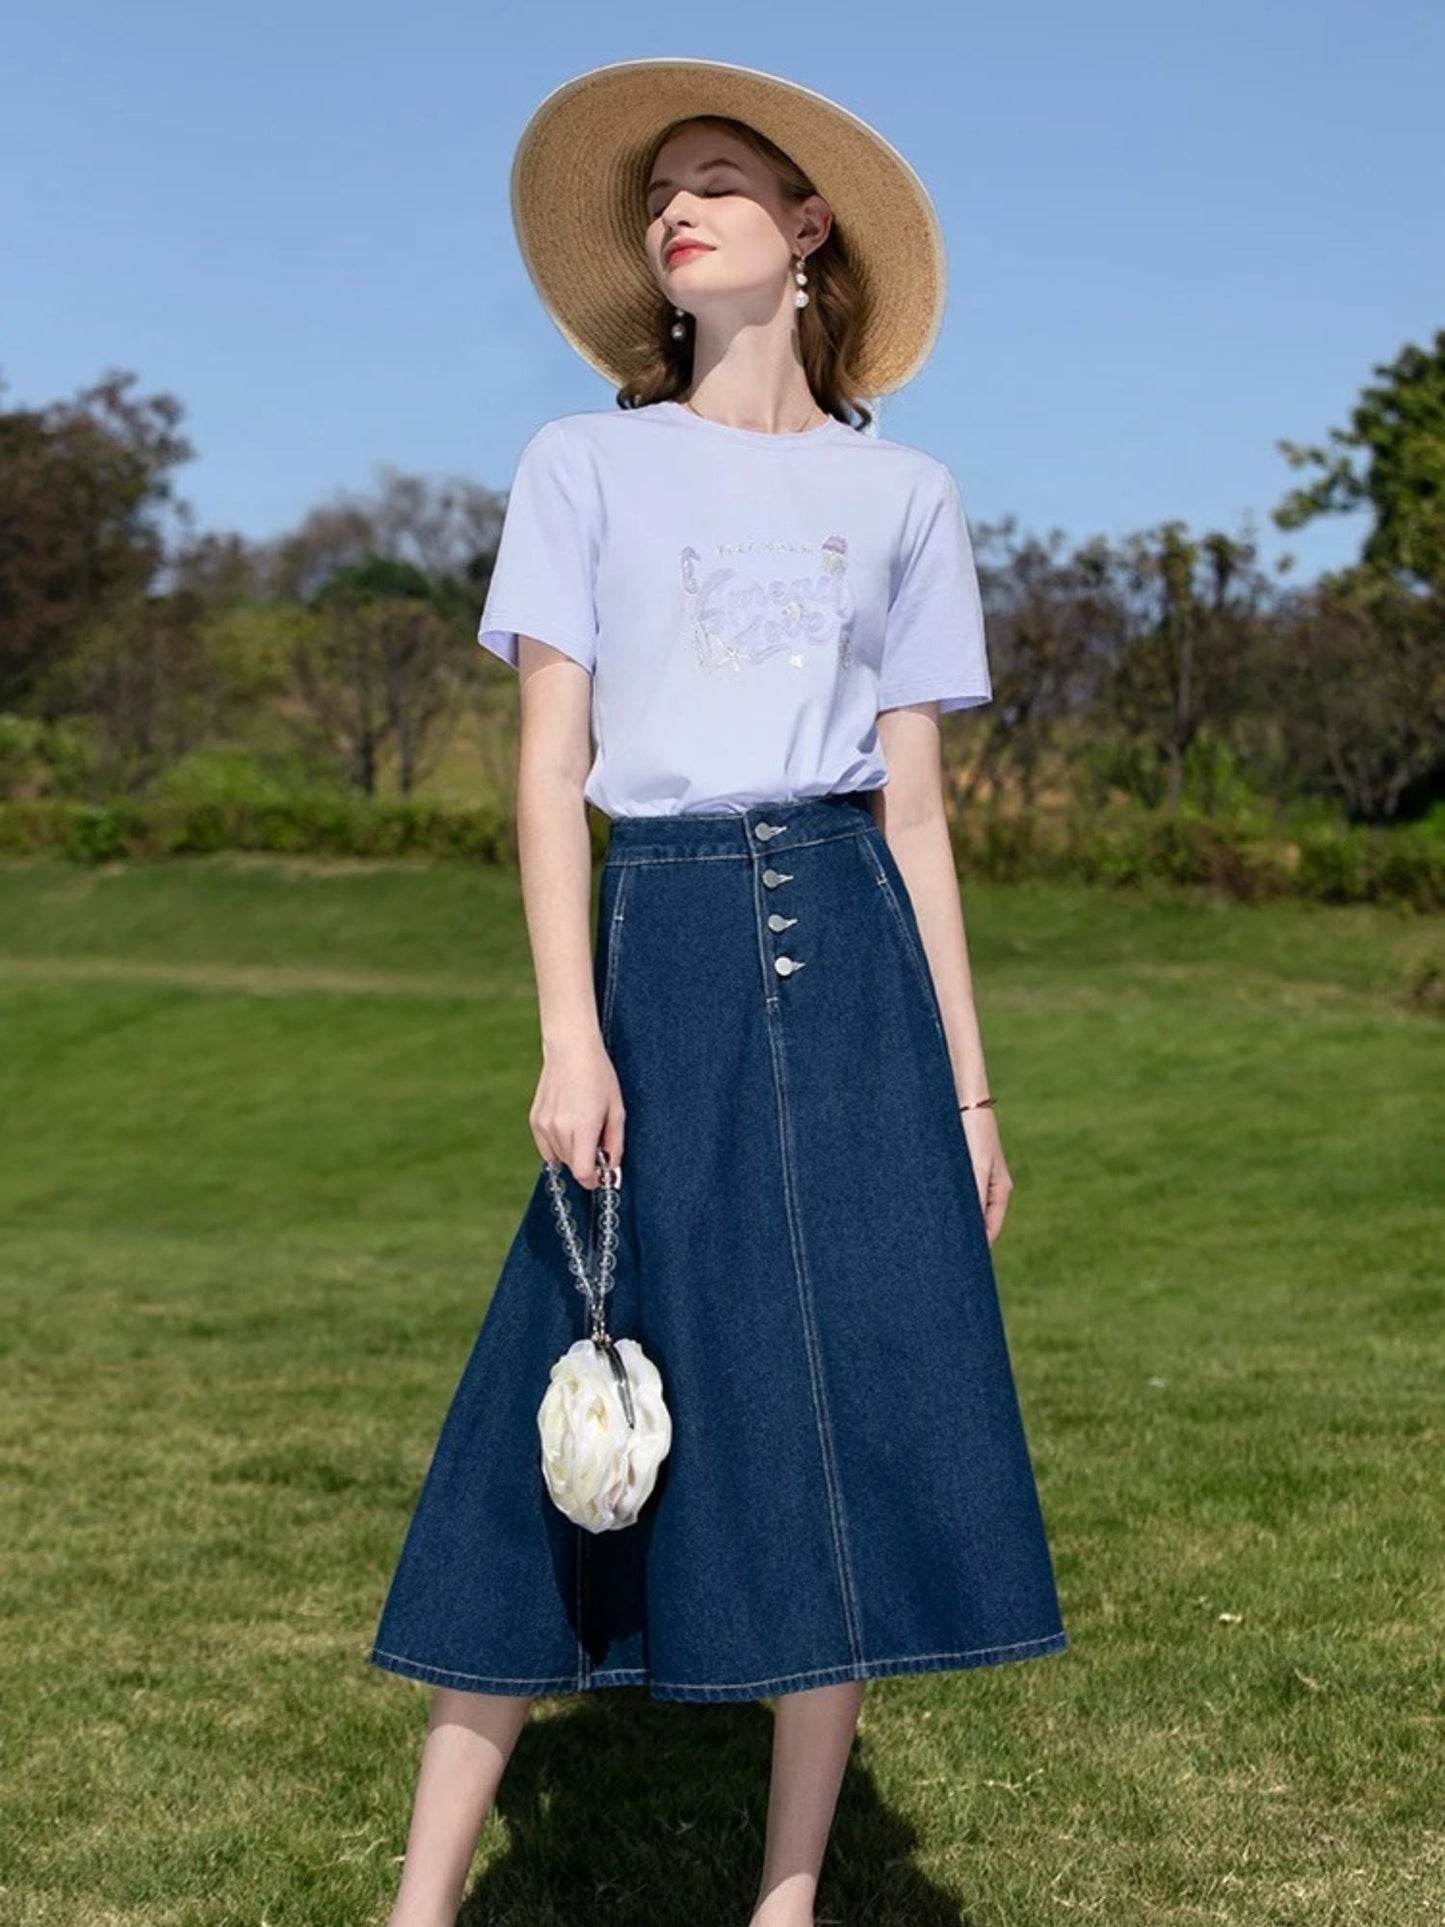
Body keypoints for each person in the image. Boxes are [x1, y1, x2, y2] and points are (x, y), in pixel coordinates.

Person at [367, 55, 1068, 1927]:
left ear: (806, 226)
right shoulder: (583, 465)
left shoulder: (903, 492)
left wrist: (969, 1096)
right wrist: (568, 1032)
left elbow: (914, 815)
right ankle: (420, 1905)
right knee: (555, 1385)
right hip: (661, 950)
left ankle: (786, 1898)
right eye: (659, 191)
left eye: (716, 180)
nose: (675, 209)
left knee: (827, 1402)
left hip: (851, 955)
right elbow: (547, 773)